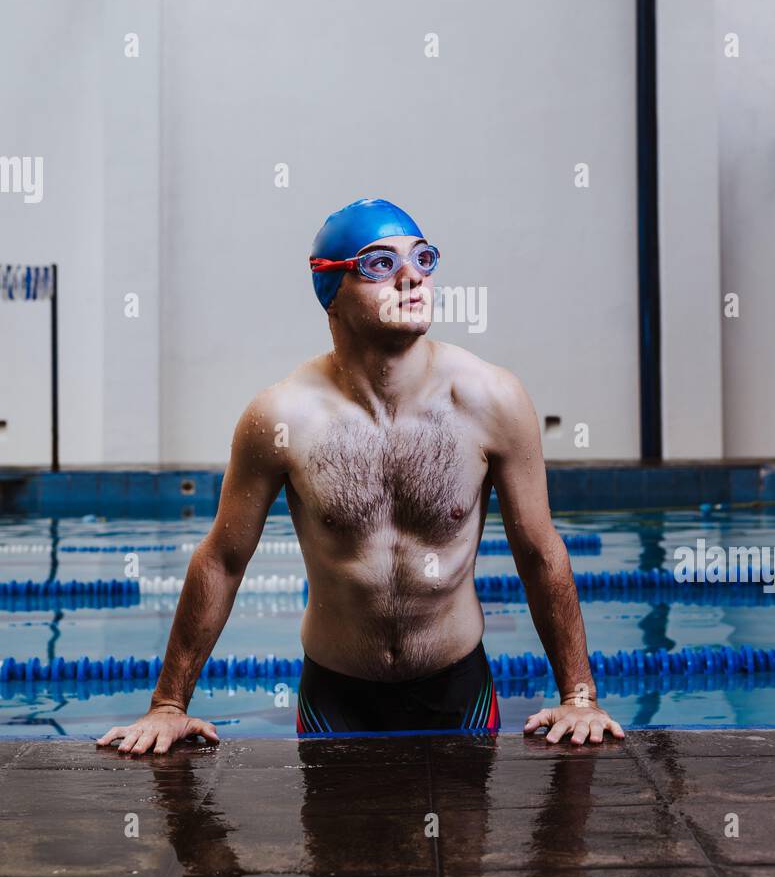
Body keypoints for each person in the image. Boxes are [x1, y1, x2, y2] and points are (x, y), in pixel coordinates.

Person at [97, 199, 624, 753]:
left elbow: (539, 551)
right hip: (335, 698)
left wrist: (579, 697)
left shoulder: (492, 399)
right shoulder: (282, 417)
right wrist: (168, 705)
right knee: (335, 843)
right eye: (379, 263)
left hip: (457, 689)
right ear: (331, 291)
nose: (411, 277)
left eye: (423, 258)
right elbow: (223, 560)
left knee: (465, 843)